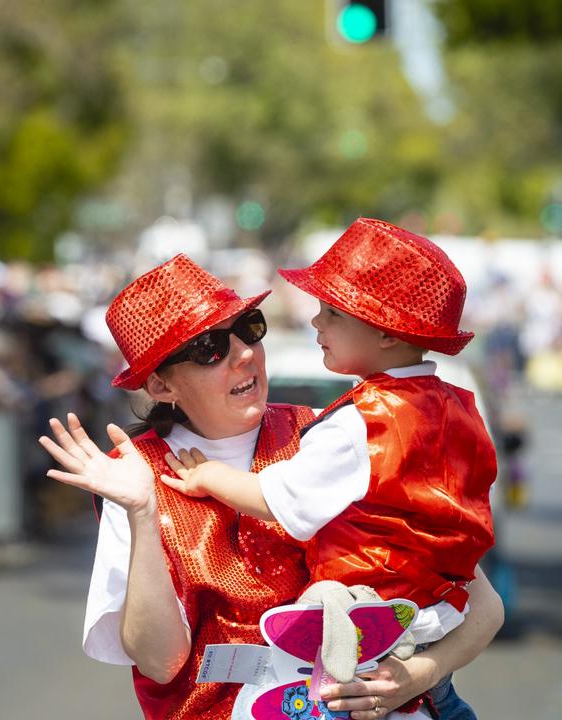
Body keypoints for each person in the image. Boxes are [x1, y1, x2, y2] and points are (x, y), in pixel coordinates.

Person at [39, 254, 503, 720]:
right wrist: (140, 512)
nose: (244, 353)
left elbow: (481, 602)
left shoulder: (331, 435)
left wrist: (418, 675)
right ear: (161, 385)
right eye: (209, 349)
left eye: (250, 328)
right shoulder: (133, 474)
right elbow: (161, 663)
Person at [162, 219, 496, 716]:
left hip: (366, 629)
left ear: (382, 330)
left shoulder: (360, 423)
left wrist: (208, 476)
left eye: (331, 312)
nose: (315, 322)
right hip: (437, 620)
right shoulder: (459, 407)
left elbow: (280, 500)